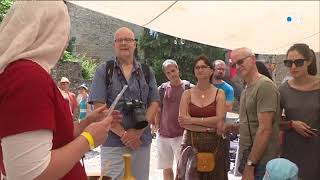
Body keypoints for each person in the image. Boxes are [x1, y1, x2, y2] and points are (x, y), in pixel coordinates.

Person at [0, 1, 120, 180]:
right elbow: (30, 174)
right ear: (48, 30)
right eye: (63, 31)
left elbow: (51, 140)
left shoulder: (18, 73)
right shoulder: (27, 76)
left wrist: (85, 123)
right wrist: (88, 138)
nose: (64, 43)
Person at [89, 27, 160, 180]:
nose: (124, 43)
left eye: (128, 40)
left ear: (135, 44)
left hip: (141, 142)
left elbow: (154, 103)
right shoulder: (104, 71)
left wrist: (138, 133)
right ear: (114, 45)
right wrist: (126, 135)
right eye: (119, 40)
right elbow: (100, 108)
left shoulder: (147, 71)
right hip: (113, 142)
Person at [230, 47, 280, 180]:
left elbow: (265, 129)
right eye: (234, 64)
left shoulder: (264, 86)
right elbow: (251, 123)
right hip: (249, 157)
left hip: (261, 162)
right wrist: (230, 128)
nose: (237, 67)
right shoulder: (247, 89)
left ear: (252, 60)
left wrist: (250, 166)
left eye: (240, 61)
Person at [178, 55, 227, 179]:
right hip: (190, 144)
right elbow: (183, 122)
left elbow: (219, 120)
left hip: (214, 146)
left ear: (211, 70)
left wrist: (192, 120)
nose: (200, 69)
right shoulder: (187, 93)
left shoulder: (219, 93)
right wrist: (207, 127)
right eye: (197, 67)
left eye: (203, 67)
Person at [279, 43, 320, 180]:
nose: (293, 67)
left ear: (309, 61)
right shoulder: (283, 89)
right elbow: (273, 120)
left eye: (298, 62)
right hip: (291, 149)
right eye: (289, 63)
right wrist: (291, 123)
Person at [155, 59, 192, 180]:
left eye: (173, 70)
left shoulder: (189, 87)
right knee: (166, 168)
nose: (172, 74)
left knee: (182, 168)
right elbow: (157, 108)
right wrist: (155, 126)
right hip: (163, 135)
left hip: (181, 135)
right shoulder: (162, 89)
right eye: (168, 72)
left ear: (178, 69)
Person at [211, 59, 235, 174]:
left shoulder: (228, 89)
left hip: (221, 130)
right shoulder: (204, 85)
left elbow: (228, 108)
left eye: (223, 69)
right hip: (203, 129)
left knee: (221, 163)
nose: (221, 71)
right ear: (212, 69)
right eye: (219, 68)